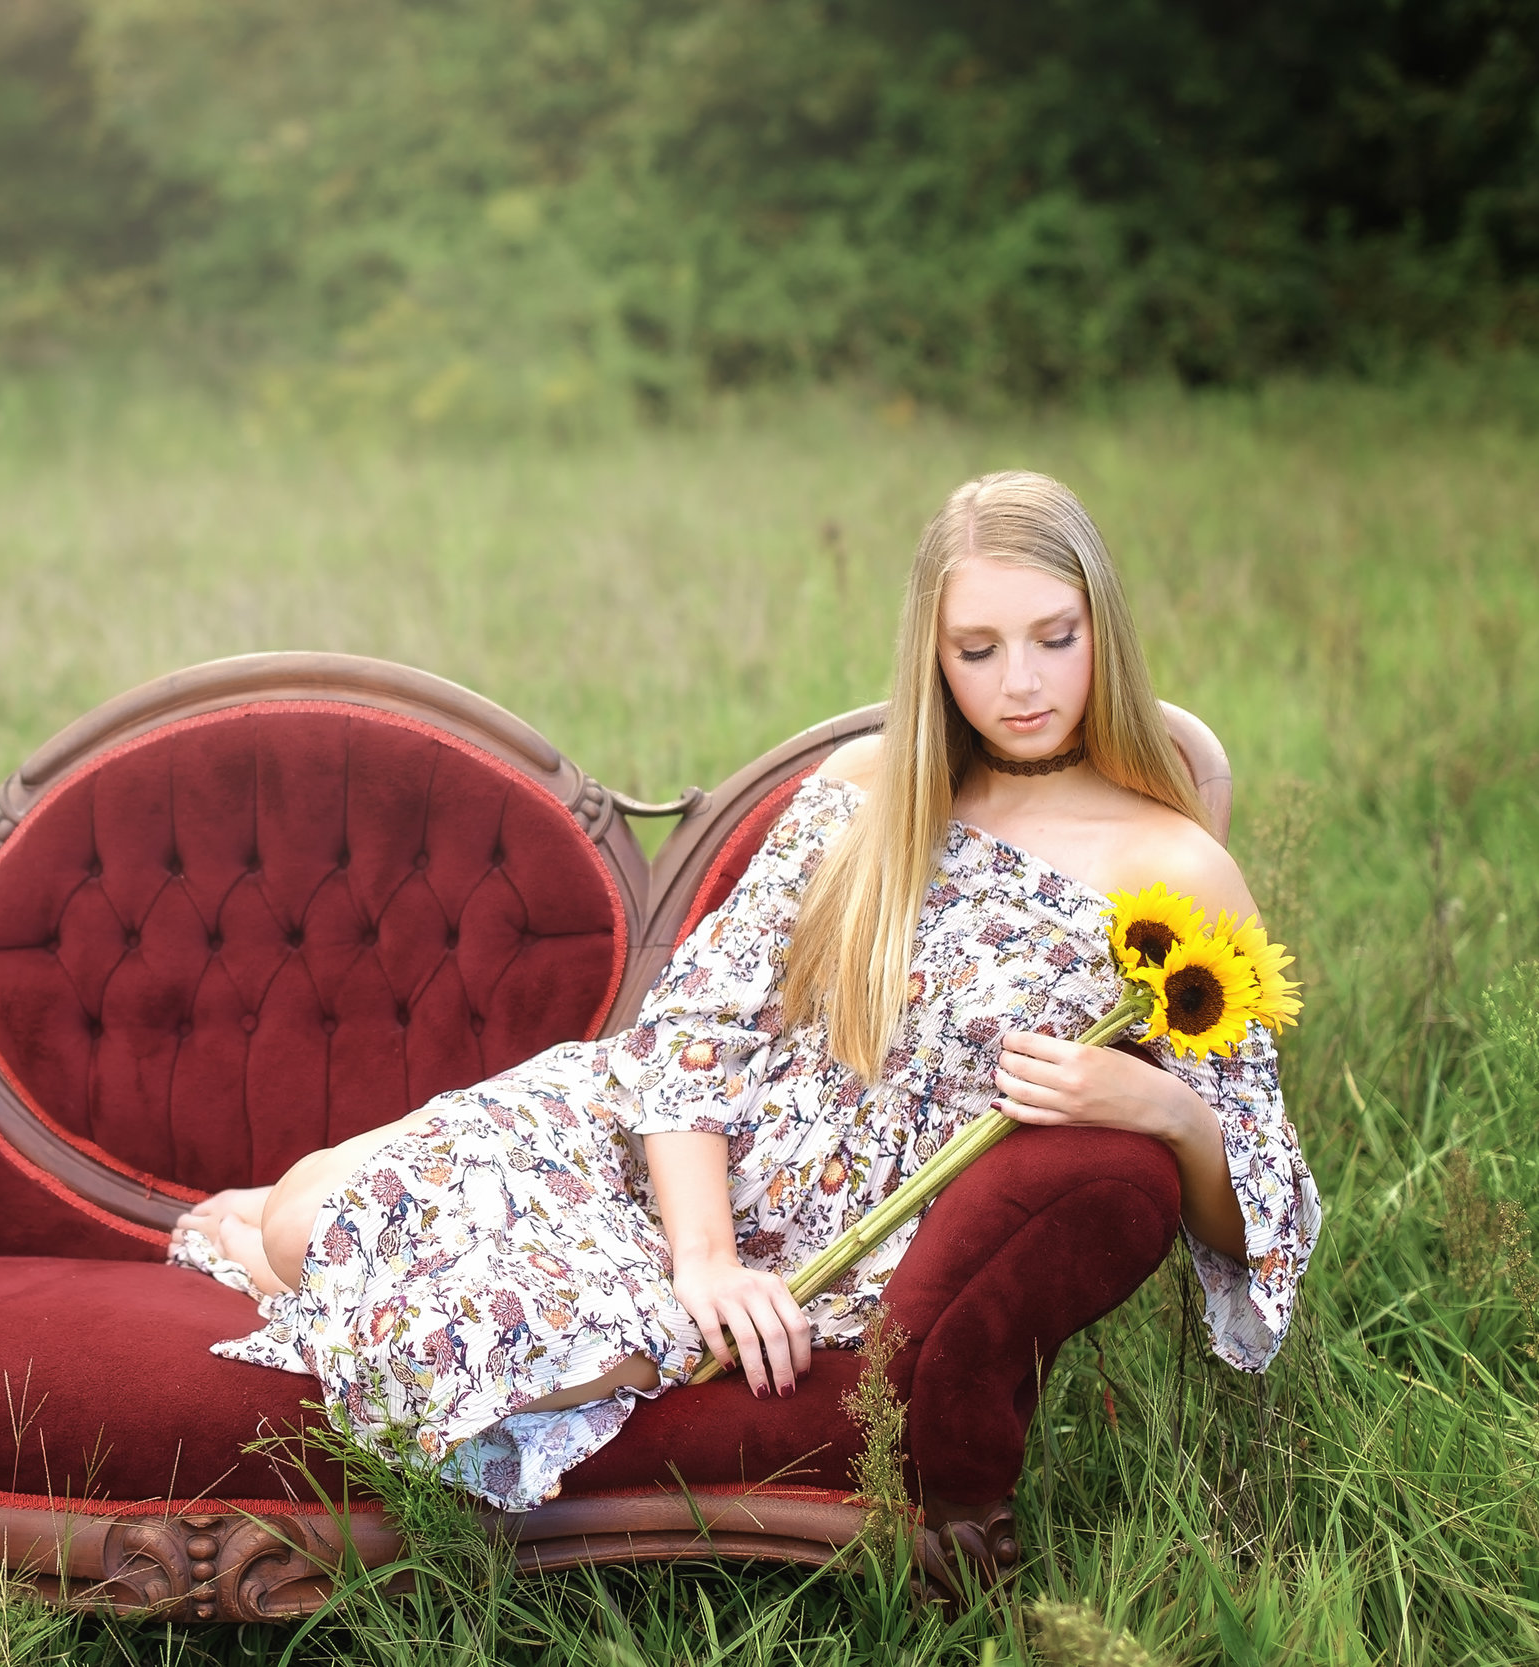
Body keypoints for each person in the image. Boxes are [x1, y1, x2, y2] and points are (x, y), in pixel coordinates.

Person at [169, 471, 1320, 1511]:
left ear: (1100, 631)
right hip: (659, 1146)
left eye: (1052, 637)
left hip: (818, 1245)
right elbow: (699, 1024)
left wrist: (1163, 1109)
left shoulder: (1175, 870)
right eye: (976, 649)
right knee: (301, 1218)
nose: (1018, 683)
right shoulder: (869, 786)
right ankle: (300, 1236)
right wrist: (705, 1259)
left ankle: (298, 1249)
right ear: (931, 654)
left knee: (312, 1233)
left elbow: (1264, 1207)